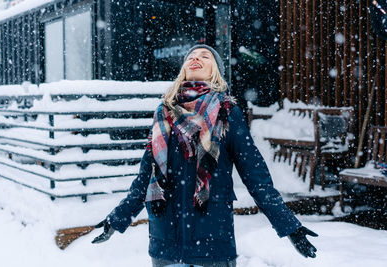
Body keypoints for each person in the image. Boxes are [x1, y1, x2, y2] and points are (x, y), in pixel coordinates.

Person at [92, 44, 318, 266]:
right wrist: (117, 219)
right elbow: (145, 179)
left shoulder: (227, 113)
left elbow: (256, 176)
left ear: (215, 72)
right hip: (166, 246)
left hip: (213, 245)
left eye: (205, 56)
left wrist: (290, 227)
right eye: (191, 56)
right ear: (184, 69)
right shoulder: (163, 114)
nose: (196, 58)